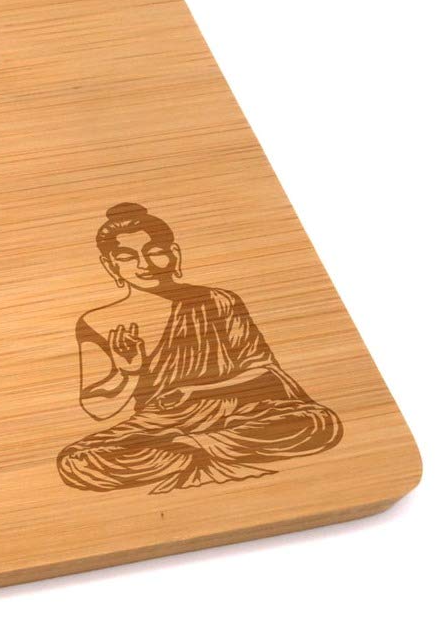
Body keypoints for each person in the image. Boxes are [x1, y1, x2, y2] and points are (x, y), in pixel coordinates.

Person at [57, 203, 342, 493]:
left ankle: (189, 448)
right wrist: (129, 373)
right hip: (159, 423)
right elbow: (98, 409)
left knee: (318, 422)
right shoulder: (97, 321)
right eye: (127, 257)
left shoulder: (219, 300)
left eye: (155, 252)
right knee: (76, 460)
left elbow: (265, 373)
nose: (144, 265)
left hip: (238, 412)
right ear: (111, 265)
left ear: (174, 254)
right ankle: (202, 447)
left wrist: (196, 391)